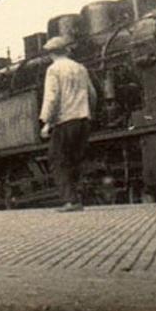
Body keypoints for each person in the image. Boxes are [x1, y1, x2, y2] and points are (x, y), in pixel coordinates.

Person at [39, 36, 96, 212]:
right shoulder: (80, 68)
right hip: (83, 119)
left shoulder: (54, 69)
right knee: (75, 159)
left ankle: (71, 201)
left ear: (51, 53)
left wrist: (47, 122)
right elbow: (92, 94)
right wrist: (89, 114)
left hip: (64, 121)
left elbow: (52, 97)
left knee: (58, 160)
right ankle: (77, 198)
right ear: (66, 50)